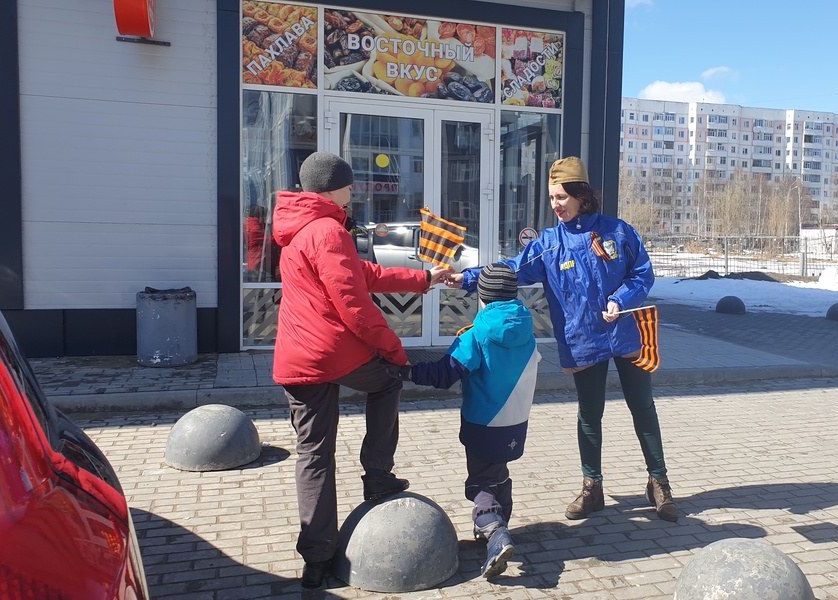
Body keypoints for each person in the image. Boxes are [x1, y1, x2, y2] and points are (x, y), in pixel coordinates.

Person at [446, 156, 678, 523]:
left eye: (561, 197)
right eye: (552, 198)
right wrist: (467, 278)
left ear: (581, 195)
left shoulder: (619, 232)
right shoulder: (549, 244)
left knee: (642, 406)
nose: (555, 205)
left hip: (625, 333)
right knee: (590, 414)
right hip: (583, 339)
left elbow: (642, 275)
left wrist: (621, 300)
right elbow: (512, 268)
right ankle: (592, 487)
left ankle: (659, 481)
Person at [271, 151, 452, 589]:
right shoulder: (329, 230)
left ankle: (316, 561)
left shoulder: (296, 228)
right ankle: (378, 477)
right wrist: (394, 351)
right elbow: (354, 304)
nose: (354, 194)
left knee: (313, 455)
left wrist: (424, 278)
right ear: (332, 187)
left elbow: (361, 274)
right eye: (350, 186)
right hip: (334, 352)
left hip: (296, 358)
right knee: (388, 382)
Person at [387, 263, 541, 580]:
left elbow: (446, 374)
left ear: (482, 297)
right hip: (516, 422)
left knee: (481, 481)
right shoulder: (527, 332)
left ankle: (494, 530)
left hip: (483, 421)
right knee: (499, 473)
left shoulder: (477, 335)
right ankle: (497, 528)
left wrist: (409, 372)